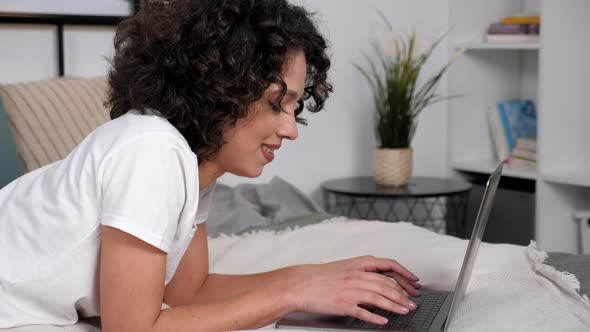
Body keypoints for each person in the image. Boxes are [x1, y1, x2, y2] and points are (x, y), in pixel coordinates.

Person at [0, 0, 421, 330]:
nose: (291, 130)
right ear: (223, 86)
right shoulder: (150, 151)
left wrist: (315, 277)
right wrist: (293, 296)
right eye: (278, 103)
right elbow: (131, 329)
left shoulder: (192, 164)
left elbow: (190, 293)